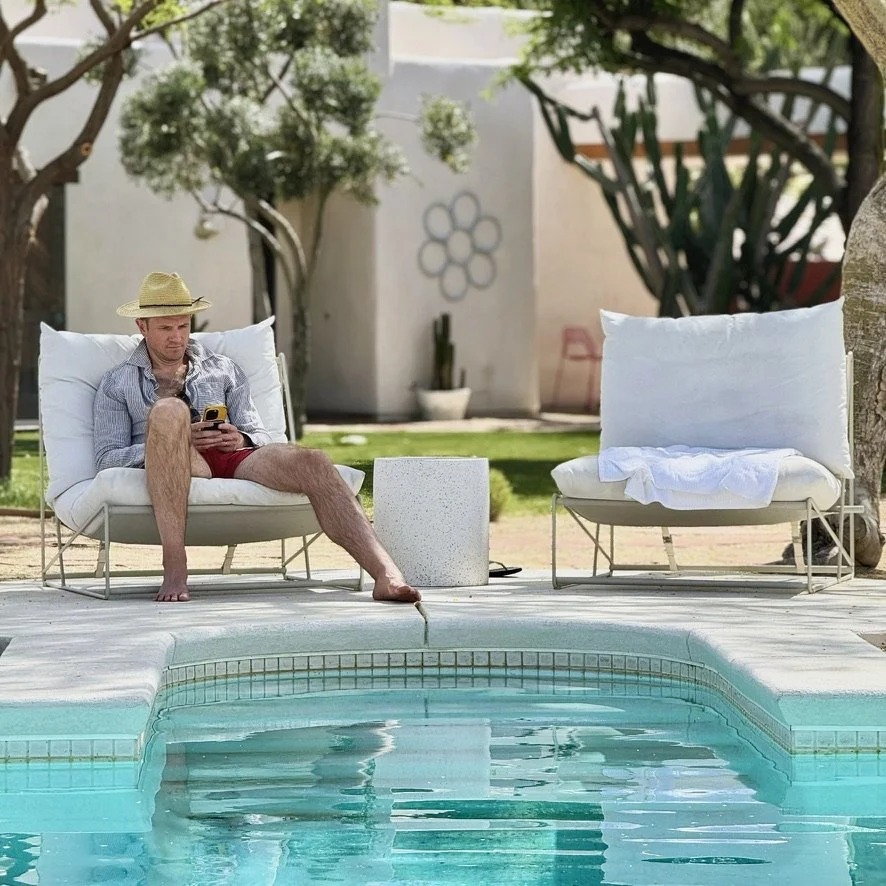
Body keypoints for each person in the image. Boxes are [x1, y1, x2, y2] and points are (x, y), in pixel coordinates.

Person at [93, 271, 421, 605]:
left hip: (230, 456)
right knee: (168, 413)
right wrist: (173, 440)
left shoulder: (223, 368)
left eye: (183, 326)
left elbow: (261, 432)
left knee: (314, 461)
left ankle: (385, 574)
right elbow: (107, 459)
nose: (176, 337)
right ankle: (175, 564)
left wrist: (241, 438)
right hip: (173, 462)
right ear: (142, 326)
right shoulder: (117, 383)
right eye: (165, 328)